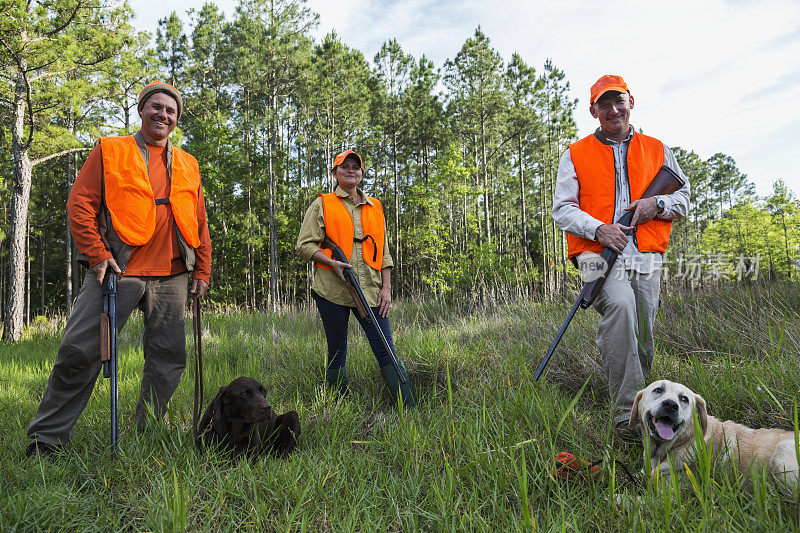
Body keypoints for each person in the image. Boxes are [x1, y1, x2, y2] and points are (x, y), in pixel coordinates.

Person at [26, 81, 212, 457]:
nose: (163, 114)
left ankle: (147, 432)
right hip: (116, 272)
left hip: (173, 276)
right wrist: (96, 254)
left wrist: (203, 270)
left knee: (168, 359)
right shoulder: (111, 150)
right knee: (79, 352)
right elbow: (80, 204)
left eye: (170, 110)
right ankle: (47, 440)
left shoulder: (189, 163)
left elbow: (199, 221)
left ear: (176, 119)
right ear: (141, 110)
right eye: (155, 107)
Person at [551, 75, 690, 440]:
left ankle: (647, 409)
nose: (613, 109)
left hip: (646, 254)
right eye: (604, 104)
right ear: (593, 110)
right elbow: (562, 209)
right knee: (621, 307)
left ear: (631, 102)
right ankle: (625, 420)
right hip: (595, 254)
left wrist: (655, 204)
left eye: (619, 101)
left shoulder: (658, 148)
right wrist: (599, 229)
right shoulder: (575, 153)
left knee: (644, 329)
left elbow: (684, 199)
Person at [296, 150, 415, 407]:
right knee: (337, 349)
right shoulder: (322, 204)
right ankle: (337, 407)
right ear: (335, 173)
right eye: (344, 166)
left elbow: (384, 252)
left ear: (361, 174)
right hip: (332, 290)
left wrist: (386, 289)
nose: (351, 170)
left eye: (356, 167)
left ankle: (409, 407)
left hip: (371, 291)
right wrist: (331, 262)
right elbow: (304, 246)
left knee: (385, 348)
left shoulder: (375, 206)